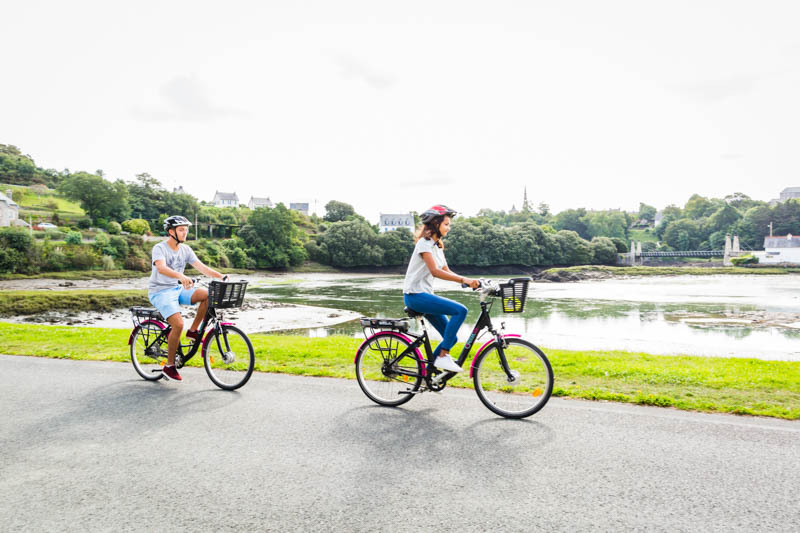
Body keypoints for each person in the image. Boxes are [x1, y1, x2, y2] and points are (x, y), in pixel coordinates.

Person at [148, 215, 226, 382]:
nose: (185, 233)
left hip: (177, 289)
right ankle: (169, 366)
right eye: (181, 230)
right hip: (160, 292)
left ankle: (193, 331)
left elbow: (201, 267)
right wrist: (181, 276)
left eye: (186, 229)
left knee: (207, 295)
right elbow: (161, 268)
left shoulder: (186, 250)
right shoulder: (159, 248)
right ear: (171, 231)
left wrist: (221, 276)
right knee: (178, 324)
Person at [403, 205, 480, 373]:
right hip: (415, 295)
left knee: (450, 338)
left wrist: (470, 281)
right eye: (446, 224)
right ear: (435, 224)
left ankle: (428, 373)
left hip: (425, 295)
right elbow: (435, 271)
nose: (448, 228)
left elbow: (445, 270)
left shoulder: (437, 246)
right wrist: (463, 279)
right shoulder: (425, 244)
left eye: (449, 224)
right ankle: (443, 357)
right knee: (460, 311)